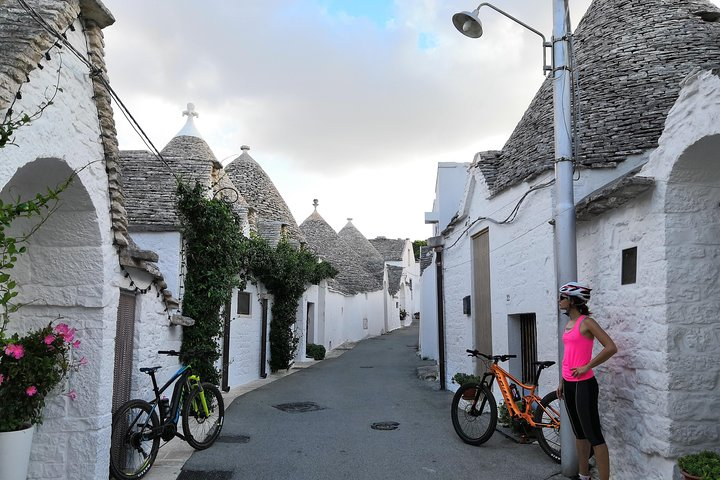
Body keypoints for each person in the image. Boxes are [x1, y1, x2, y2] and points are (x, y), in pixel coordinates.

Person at [556, 281, 617, 480]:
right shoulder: (569, 324)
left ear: (573, 301)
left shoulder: (587, 322)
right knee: (579, 434)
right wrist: (562, 382)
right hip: (570, 384)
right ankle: (584, 476)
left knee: (593, 435)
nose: (559, 301)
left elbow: (610, 347)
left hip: (584, 384)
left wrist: (587, 366)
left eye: (562, 297)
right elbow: (568, 356)